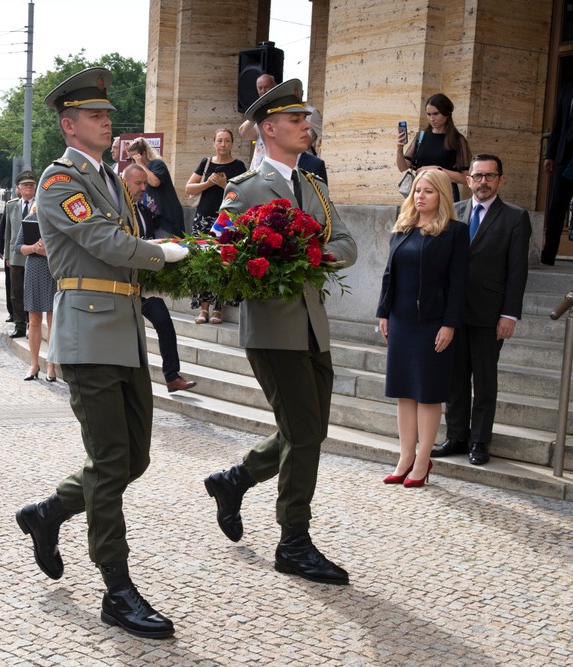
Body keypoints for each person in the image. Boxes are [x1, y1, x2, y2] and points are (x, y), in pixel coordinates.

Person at [14, 67, 187, 639]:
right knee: (112, 461)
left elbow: (125, 243)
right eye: (95, 115)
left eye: (108, 114)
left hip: (126, 332)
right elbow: (106, 243)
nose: (107, 121)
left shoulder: (112, 179)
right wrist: (165, 252)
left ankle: (49, 513)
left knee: (132, 458)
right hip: (88, 335)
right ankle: (116, 587)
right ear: (69, 125)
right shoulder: (59, 181)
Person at [203, 80, 357, 585]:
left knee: (306, 429)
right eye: (296, 121)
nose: (306, 126)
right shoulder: (243, 189)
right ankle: (294, 541)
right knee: (306, 432)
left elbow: (348, 243)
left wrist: (317, 253)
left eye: (305, 120)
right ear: (270, 128)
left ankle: (236, 479)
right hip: (272, 329)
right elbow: (221, 253)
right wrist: (269, 258)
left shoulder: (314, 187)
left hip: (315, 327)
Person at [432, 155, 531, 466]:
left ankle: (479, 441)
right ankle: (457, 436)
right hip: (453, 314)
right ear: (468, 180)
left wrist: (509, 315)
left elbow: (518, 270)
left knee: (485, 381)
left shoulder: (515, 217)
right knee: (455, 378)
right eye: (477, 176)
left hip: (490, 314)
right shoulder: (455, 212)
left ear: (500, 179)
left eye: (490, 176)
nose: (483, 181)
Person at [377, 169, 468, 487]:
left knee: (427, 394)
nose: (420, 196)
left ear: (441, 195)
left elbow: (458, 284)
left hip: (433, 324)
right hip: (400, 321)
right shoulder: (401, 228)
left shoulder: (455, 232)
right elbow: (390, 275)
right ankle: (404, 457)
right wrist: (383, 313)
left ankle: (422, 460)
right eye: (417, 190)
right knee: (403, 391)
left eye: (428, 191)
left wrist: (450, 324)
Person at [124, 163, 198, 393]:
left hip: (147, 285)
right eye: (138, 183)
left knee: (165, 324)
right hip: (123, 283)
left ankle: (172, 377)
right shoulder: (116, 212)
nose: (143, 188)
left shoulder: (145, 210)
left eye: (145, 183)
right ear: (124, 182)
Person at [184, 128, 247, 324]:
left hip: (226, 219)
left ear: (232, 144)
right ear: (214, 143)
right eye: (219, 141)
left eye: (227, 141)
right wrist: (209, 183)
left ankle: (218, 309)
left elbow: (244, 193)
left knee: (222, 260)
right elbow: (188, 188)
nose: (223, 144)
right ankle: (203, 308)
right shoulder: (206, 163)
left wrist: (224, 185)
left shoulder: (239, 166)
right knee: (202, 261)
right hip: (203, 217)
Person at [396, 92, 471, 202]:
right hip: (420, 194)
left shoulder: (457, 140)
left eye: (436, 114)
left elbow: (465, 178)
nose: (431, 119)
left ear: (447, 114)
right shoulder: (421, 136)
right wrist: (399, 148)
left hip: (444, 195)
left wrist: (436, 169)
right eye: (428, 114)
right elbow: (402, 167)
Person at [15, 204, 58, 382]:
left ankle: (51, 365)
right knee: (34, 320)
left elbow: (65, 250)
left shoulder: (58, 220)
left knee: (53, 319)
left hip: (53, 270)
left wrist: (46, 252)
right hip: (33, 270)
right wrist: (33, 248)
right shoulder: (30, 220)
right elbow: (18, 247)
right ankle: (34, 364)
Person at [124, 137, 184, 238]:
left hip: (166, 221)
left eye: (134, 159)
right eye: (129, 159)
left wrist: (140, 164)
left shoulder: (157, 164)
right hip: (151, 220)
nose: (132, 162)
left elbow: (155, 182)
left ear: (143, 154)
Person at [2, 171, 36, 339]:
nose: (29, 187)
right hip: (16, 256)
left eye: (31, 185)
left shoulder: (40, 204)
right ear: (19, 189)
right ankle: (19, 325)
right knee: (16, 292)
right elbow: (8, 232)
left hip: (35, 255)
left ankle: (32, 325)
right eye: (25, 185)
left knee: (32, 291)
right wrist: (7, 255)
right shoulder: (11, 205)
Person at [542, 85, 573, 265]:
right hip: (564, 157)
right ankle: (549, 254)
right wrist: (550, 155)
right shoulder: (566, 91)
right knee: (557, 206)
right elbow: (558, 124)